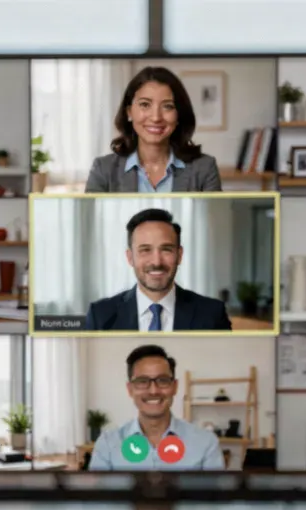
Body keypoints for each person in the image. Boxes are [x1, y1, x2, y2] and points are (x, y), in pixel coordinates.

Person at [83, 209, 233, 332]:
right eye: (145, 250)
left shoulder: (212, 314)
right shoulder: (100, 315)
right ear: (130, 258)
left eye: (166, 250)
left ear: (179, 255)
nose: (156, 261)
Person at [87, 344, 225, 471]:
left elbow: (216, 497)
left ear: (174, 387)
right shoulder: (107, 444)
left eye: (163, 380)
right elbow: (98, 497)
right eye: (142, 381)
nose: (153, 391)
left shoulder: (206, 443)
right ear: (130, 389)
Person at [85, 67, 222, 193]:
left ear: (179, 114)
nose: (156, 117)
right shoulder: (103, 169)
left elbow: (214, 220)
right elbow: (91, 220)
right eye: (145, 104)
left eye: (167, 106)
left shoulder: (204, 168)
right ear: (129, 112)